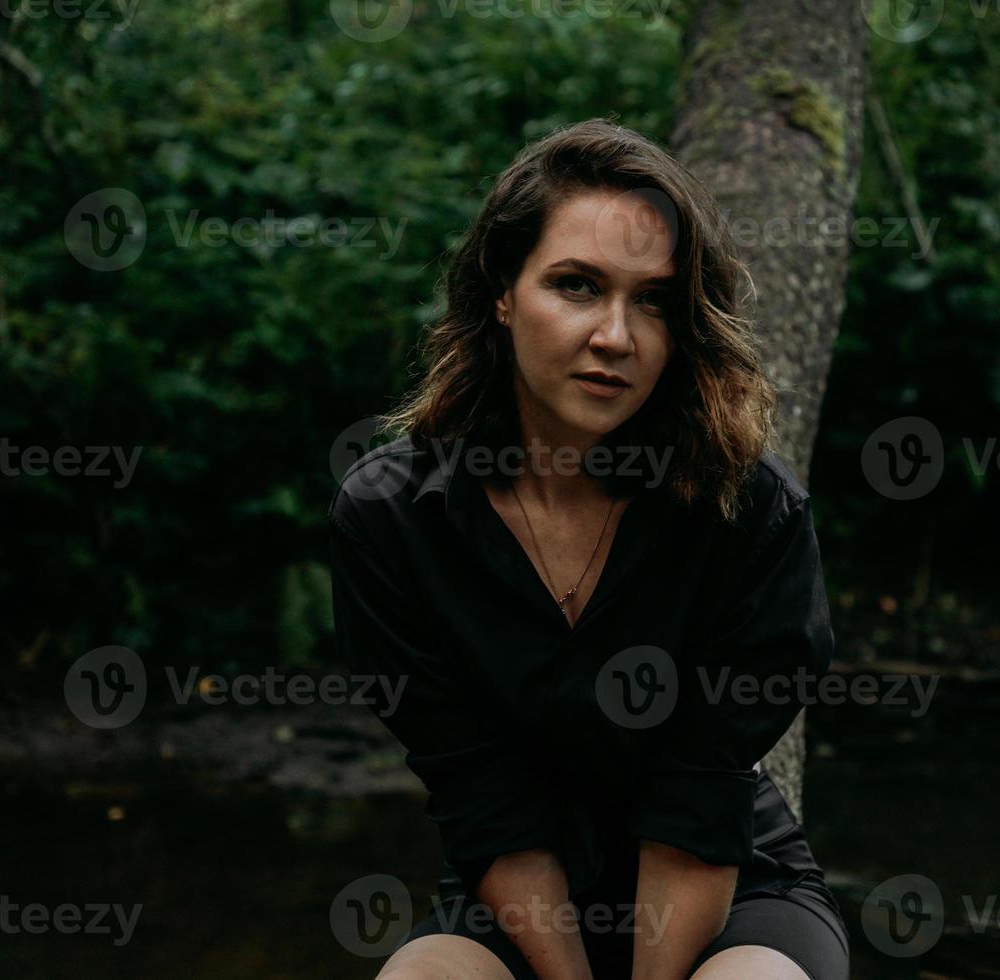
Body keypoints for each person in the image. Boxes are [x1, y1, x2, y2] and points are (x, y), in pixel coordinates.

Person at [328, 117, 849, 980]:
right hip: (517, 900)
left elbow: (698, 800)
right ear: (503, 290)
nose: (616, 335)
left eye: (653, 300)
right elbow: (479, 792)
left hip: (730, 898)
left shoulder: (750, 511)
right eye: (576, 285)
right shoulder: (392, 518)